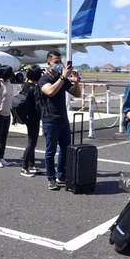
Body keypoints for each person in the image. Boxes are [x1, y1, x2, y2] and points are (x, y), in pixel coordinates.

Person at [38, 51, 81, 190]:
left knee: (65, 149)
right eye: (56, 62)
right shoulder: (44, 79)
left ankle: (61, 174)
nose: (58, 64)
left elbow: (76, 93)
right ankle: (51, 178)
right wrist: (63, 76)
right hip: (50, 119)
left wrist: (76, 82)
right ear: (49, 63)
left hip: (63, 119)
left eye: (59, 61)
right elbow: (50, 91)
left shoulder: (63, 79)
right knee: (50, 151)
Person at [18, 65, 43, 177]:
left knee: (31, 141)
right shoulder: (34, 88)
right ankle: (24, 167)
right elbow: (38, 104)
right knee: (32, 142)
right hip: (34, 117)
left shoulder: (25, 85)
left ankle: (31, 164)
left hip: (27, 116)